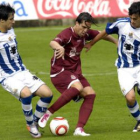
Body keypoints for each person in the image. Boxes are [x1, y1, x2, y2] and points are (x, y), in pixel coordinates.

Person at [38, 12, 117, 136]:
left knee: (91, 94)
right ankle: (48, 113)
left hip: (74, 72)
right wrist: (59, 47)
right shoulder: (67, 34)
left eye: (88, 28)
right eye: (83, 27)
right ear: (76, 23)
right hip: (60, 71)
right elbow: (52, 42)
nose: (85, 31)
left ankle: (79, 129)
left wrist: (116, 42)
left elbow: (103, 33)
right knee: (78, 87)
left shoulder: (86, 34)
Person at [84, 1, 140, 132]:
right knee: (130, 98)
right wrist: (92, 43)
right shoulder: (122, 24)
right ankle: (139, 120)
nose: (132, 21)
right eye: (131, 17)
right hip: (124, 68)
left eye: (135, 19)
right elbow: (105, 31)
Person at [0, 4, 53, 138]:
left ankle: (34, 121)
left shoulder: (11, 30)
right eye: (11, 19)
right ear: (2, 20)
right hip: (7, 76)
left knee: (47, 94)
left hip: (22, 71)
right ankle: (30, 125)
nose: (14, 21)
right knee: (26, 94)